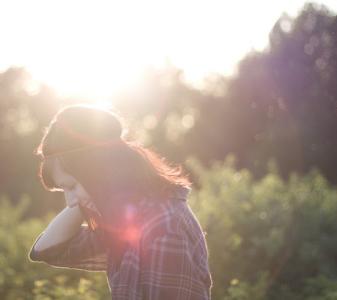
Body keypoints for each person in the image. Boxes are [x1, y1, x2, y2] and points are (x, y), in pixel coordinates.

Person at [28, 104, 212, 300]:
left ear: (98, 170)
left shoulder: (163, 225)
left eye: (71, 186)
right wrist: (85, 195)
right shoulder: (122, 222)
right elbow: (46, 250)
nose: (70, 201)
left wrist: (89, 192)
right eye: (64, 189)